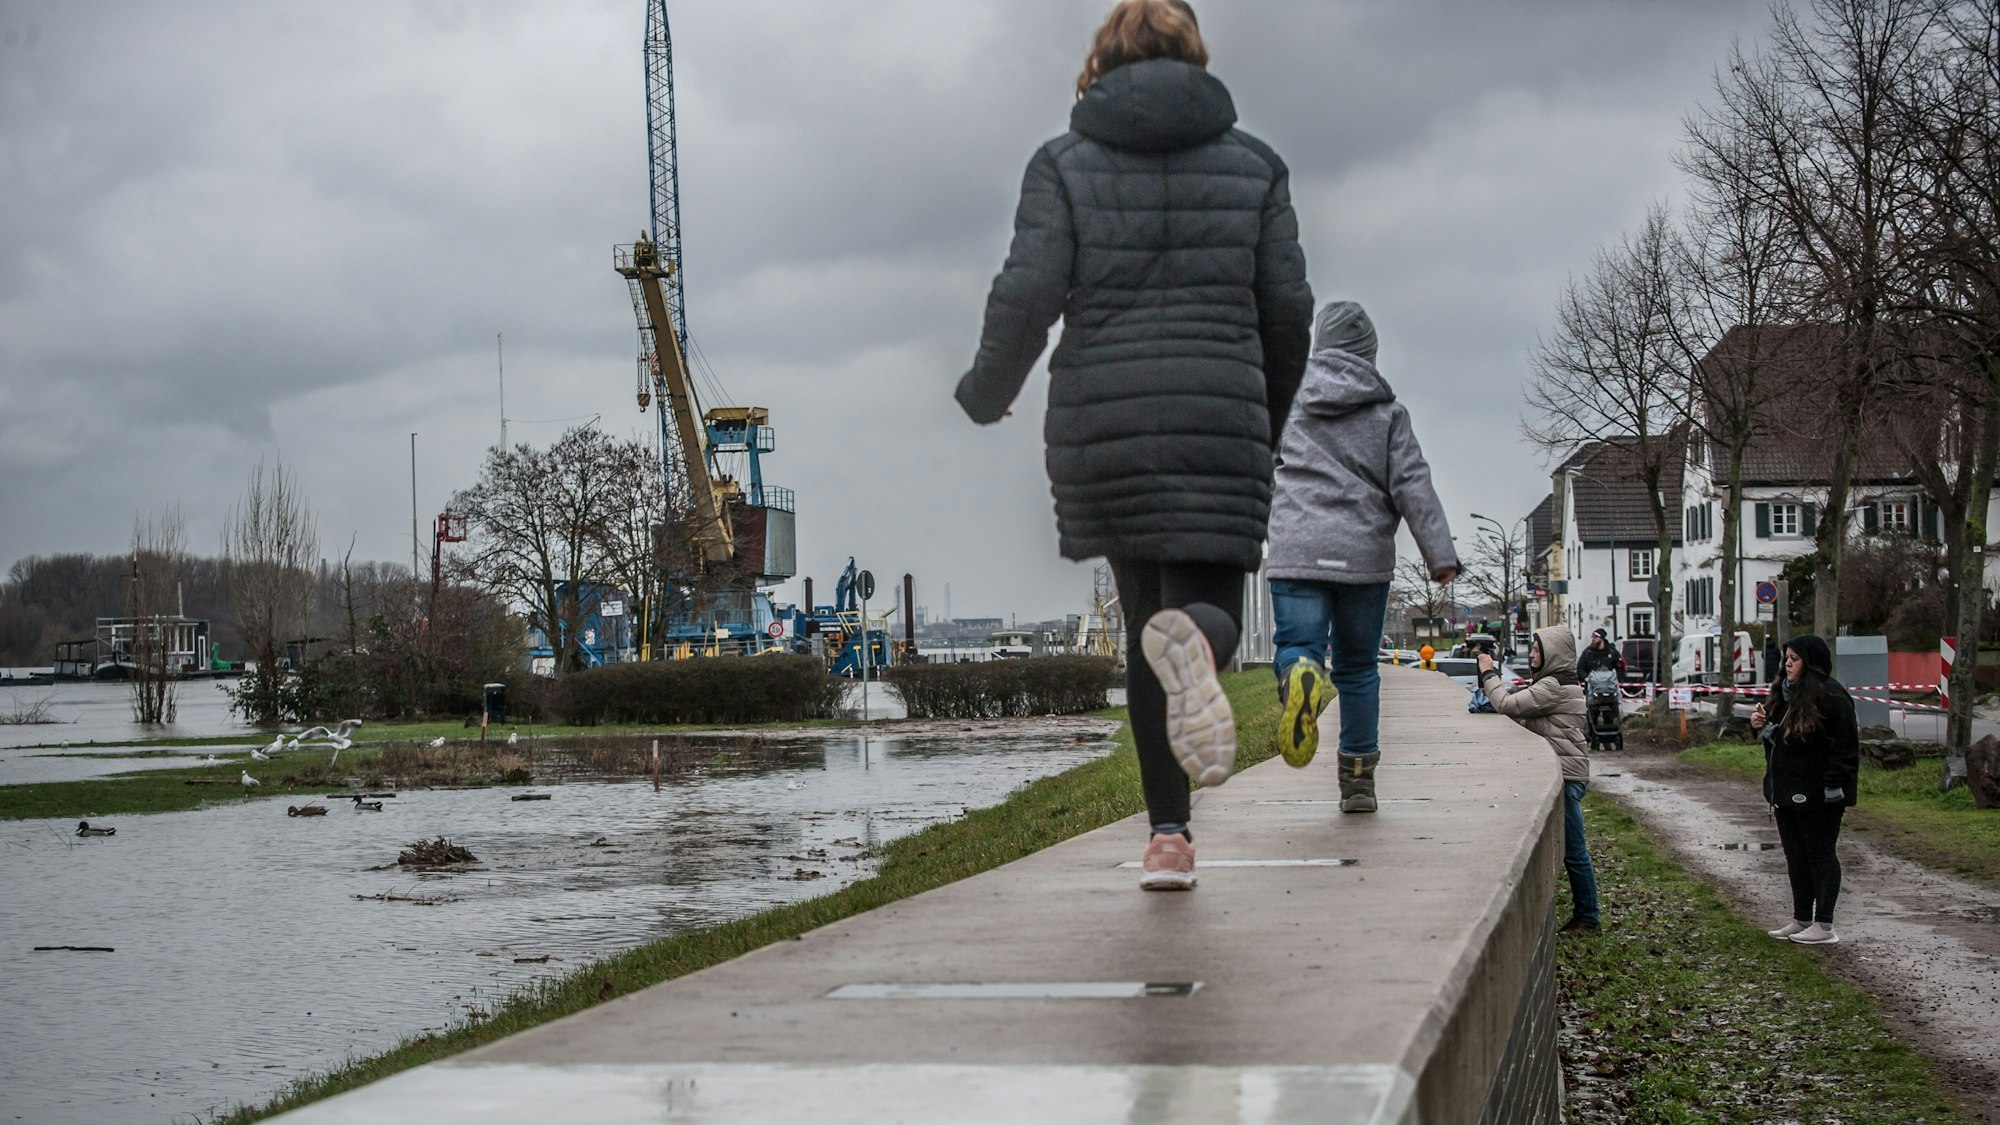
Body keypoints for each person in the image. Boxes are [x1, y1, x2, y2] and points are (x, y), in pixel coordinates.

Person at [956, 0, 1313, 891]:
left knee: (1146, 630)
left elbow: (1026, 292)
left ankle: (1167, 840)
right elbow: (1288, 312)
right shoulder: (1257, 167)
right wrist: (1262, 417)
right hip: (1219, 419)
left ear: (1101, 63)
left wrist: (986, 390)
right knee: (1197, 620)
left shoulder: (1063, 165)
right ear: (1195, 59)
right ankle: (1198, 645)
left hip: (1101, 431)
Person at [1263, 302, 1458, 810]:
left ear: (1319, 350)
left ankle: (1299, 674)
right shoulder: (1389, 414)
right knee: (1357, 669)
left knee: (1297, 645)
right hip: (1362, 559)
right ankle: (1357, 781)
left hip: (1298, 550)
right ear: (1369, 355)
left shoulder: (1286, 403)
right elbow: (1413, 483)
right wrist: (1440, 554)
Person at [1476, 627, 1599, 932]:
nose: (1531, 654)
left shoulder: (1553, 686)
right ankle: (1586, 914)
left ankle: (1589, 916)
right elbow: (1523, 712)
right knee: (1571, 849)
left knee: (1575, 850)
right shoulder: (1553, 684)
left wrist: (1488, 674)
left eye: (1536, 650)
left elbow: (1507, 705)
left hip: (1568, 777)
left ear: (1552, 654)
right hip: (1569, 773)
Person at [1750, 635, 1859, 945]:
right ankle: (1801, 919)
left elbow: (1846, 747)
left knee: (1820, 855)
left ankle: (1824, 925)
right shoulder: (1783, 696)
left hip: (1820, 795)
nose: (1787, 663)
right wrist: (1759, 727)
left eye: (1794, 658)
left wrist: (1833, 785)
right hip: (1785, 791)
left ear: (1810, 664)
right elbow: (1779, 740)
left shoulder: (1832, 697)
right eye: (1786, 657)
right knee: (1795, 856)